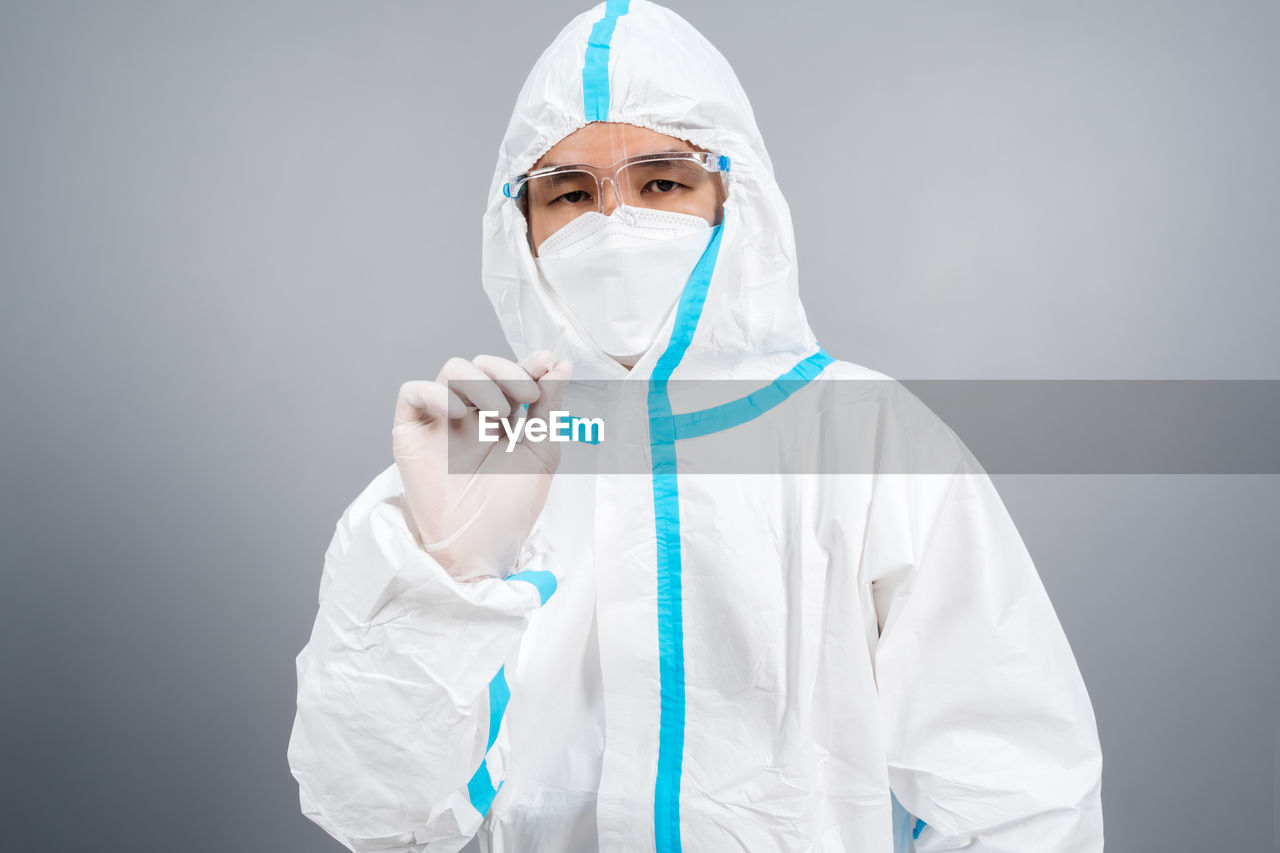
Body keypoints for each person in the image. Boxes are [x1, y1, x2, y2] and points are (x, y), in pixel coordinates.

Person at [287, 2, 1105, 852]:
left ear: (732, 195)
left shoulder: (868, 445)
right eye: (568, 193)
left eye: (662, 183)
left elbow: (1022, 801)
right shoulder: (465, 464)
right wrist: (447, 576)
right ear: (518, 226)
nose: (613, 224)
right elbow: (367, 810)